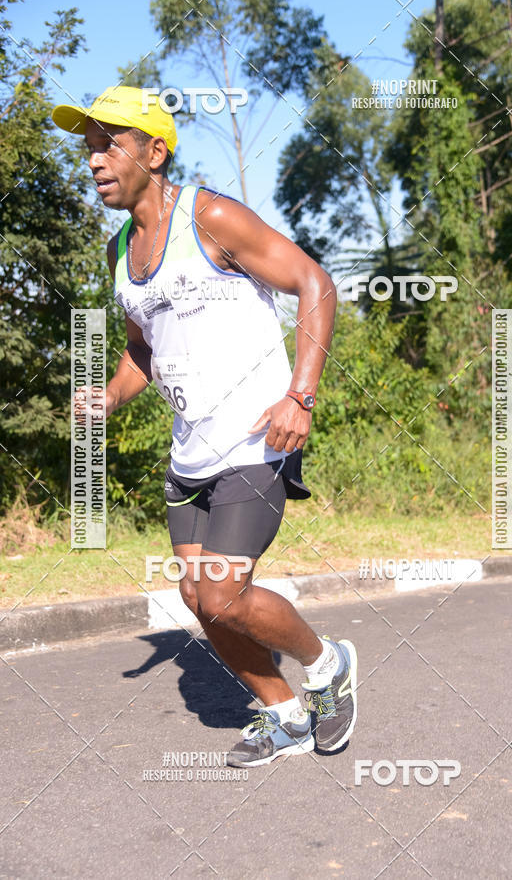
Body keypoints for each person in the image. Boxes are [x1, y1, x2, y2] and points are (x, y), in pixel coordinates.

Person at [53, 86, 357, 766]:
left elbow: (315, 282)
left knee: (223, 589)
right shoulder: (119, 253)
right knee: (199, 599)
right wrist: (108, 394)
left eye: (109, 143)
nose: (94, 160)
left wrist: (299, 397)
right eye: (89, 147)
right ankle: (284, 715)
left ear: (154, 151)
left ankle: (328, 662)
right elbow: (144, 349)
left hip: (255, 437)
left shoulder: (212, 217)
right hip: (190, 455)